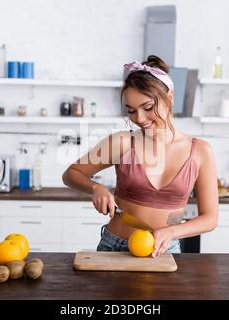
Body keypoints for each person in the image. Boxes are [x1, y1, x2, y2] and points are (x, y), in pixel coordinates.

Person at [62, 55, 218, 257]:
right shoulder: (123, 143)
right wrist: (96, 188)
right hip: (115, 247)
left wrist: (172, 232)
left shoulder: (200, 151)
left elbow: (210, 218)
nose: (140, 119)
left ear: (169, 97)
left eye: (147, 108)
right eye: (131, 111)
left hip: (165, 250)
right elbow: (71, 174)